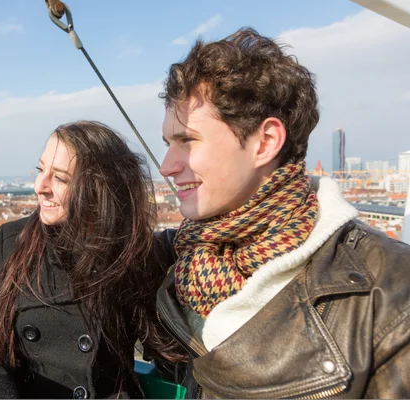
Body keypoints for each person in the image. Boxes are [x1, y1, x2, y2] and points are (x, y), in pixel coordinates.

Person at [156, 28, 410, 398]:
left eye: (187, 141)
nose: (166, 166)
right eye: (167, 144)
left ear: (265, 142)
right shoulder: (185, 255)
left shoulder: (390, 293)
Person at [0, 120, 183, 399]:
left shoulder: (131, 253)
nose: (39, 186)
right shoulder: (11, 245)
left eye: (60, 178)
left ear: (98, 188)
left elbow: (167, 351)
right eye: (40, 170)